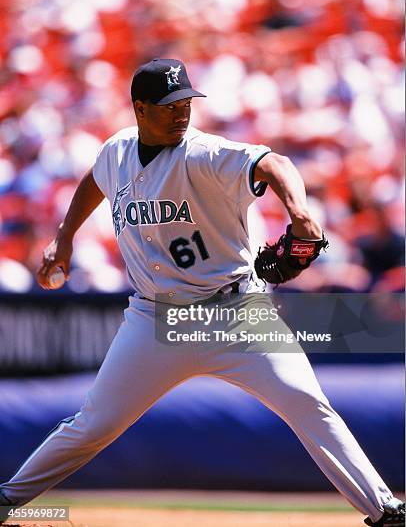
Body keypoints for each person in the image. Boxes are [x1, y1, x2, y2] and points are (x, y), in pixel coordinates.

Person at [0, 59, 404, 527]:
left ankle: (385, 510)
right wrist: (65, 236)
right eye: (169, 105)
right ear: (140, 108)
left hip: (236, 313)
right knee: (95, 423)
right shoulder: (117, 152)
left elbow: (276, 163)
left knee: (308, 404)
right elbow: (96, 178)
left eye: (186, 102)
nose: (181, 112)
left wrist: (301, 214)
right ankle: (7, 498)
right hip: (155, 321)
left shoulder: (205, 153)